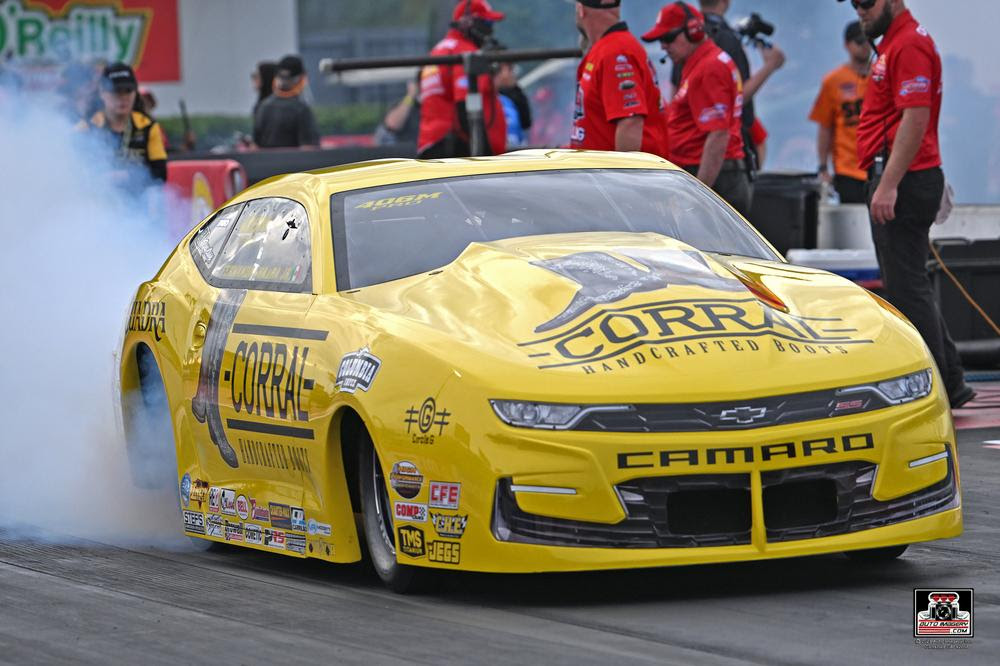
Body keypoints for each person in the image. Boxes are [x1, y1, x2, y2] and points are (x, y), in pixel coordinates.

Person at [848, 0, 974, 408]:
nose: (860, 11)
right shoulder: (894, 43)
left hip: (904, 179)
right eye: (854, 5)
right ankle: (951, 380)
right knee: (910, 282)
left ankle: (933, 390)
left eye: (866, 3)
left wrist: (888, 185)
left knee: (906, 288)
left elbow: (915, 118)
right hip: (903, 176)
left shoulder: (908, 45)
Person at [644, 2, 750, 215]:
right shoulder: (699, 63)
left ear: (693, 31)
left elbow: (718, 134)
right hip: (714, 176)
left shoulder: (709, 68)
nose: (664, 46)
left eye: (668, 38)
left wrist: (699, 194)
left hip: (714, 179)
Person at [670, 0, 785, 177]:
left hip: (685, 152)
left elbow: (674, 94)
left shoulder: (687, 37)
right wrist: (770, 66)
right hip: (722, 158)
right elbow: (735, 98)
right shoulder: (726, 39)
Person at [570, 0, 668, 157]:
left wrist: (621, 179)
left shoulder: (615, 51)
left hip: (610, 176)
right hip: (597, 173)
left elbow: (630, 123)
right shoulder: (609, 48)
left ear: (581, 10)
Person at [417, 0, 507, 158]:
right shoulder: (463, 51)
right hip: (452, 149)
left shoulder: (439, 50)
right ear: (469, 23)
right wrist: (485, 155)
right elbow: (465, 106)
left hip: (433, 144)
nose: (490, 29)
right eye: (486, 22)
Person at [809, 21, 871, 203]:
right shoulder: (833, 81)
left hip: (879, 167)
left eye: (868, 40)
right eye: (859, 42)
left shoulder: (881, 75)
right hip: (847, 169)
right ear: (847, 45)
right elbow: (825, 127)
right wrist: (822, 166)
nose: (865, 46)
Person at [78, 62, 167, 183]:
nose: (123, 97)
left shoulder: (148, 126)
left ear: (135, 93)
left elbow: (161, 174)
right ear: (102, 93)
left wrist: (127, 176)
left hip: (139, 198)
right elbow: (75, 174)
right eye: (116, 91)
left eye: (128, 91)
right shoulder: (86, 128)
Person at [253, 55, 319, 149]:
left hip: (266, 163)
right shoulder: (301, 110)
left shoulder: (263, 106)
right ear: (300, 78)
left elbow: (255, 146)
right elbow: (309, 148)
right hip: (294, 163)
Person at [495, 60, 532, 149]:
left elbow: (526, 122)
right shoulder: (489, 99)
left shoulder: (512, 97)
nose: (513, 73)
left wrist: (513, 88)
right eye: (509, 69)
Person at [374, 77, 421, 146]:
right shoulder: (405, 104)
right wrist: (411, 96)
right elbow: (392, 125)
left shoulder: (436, 103)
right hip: (408, 153)